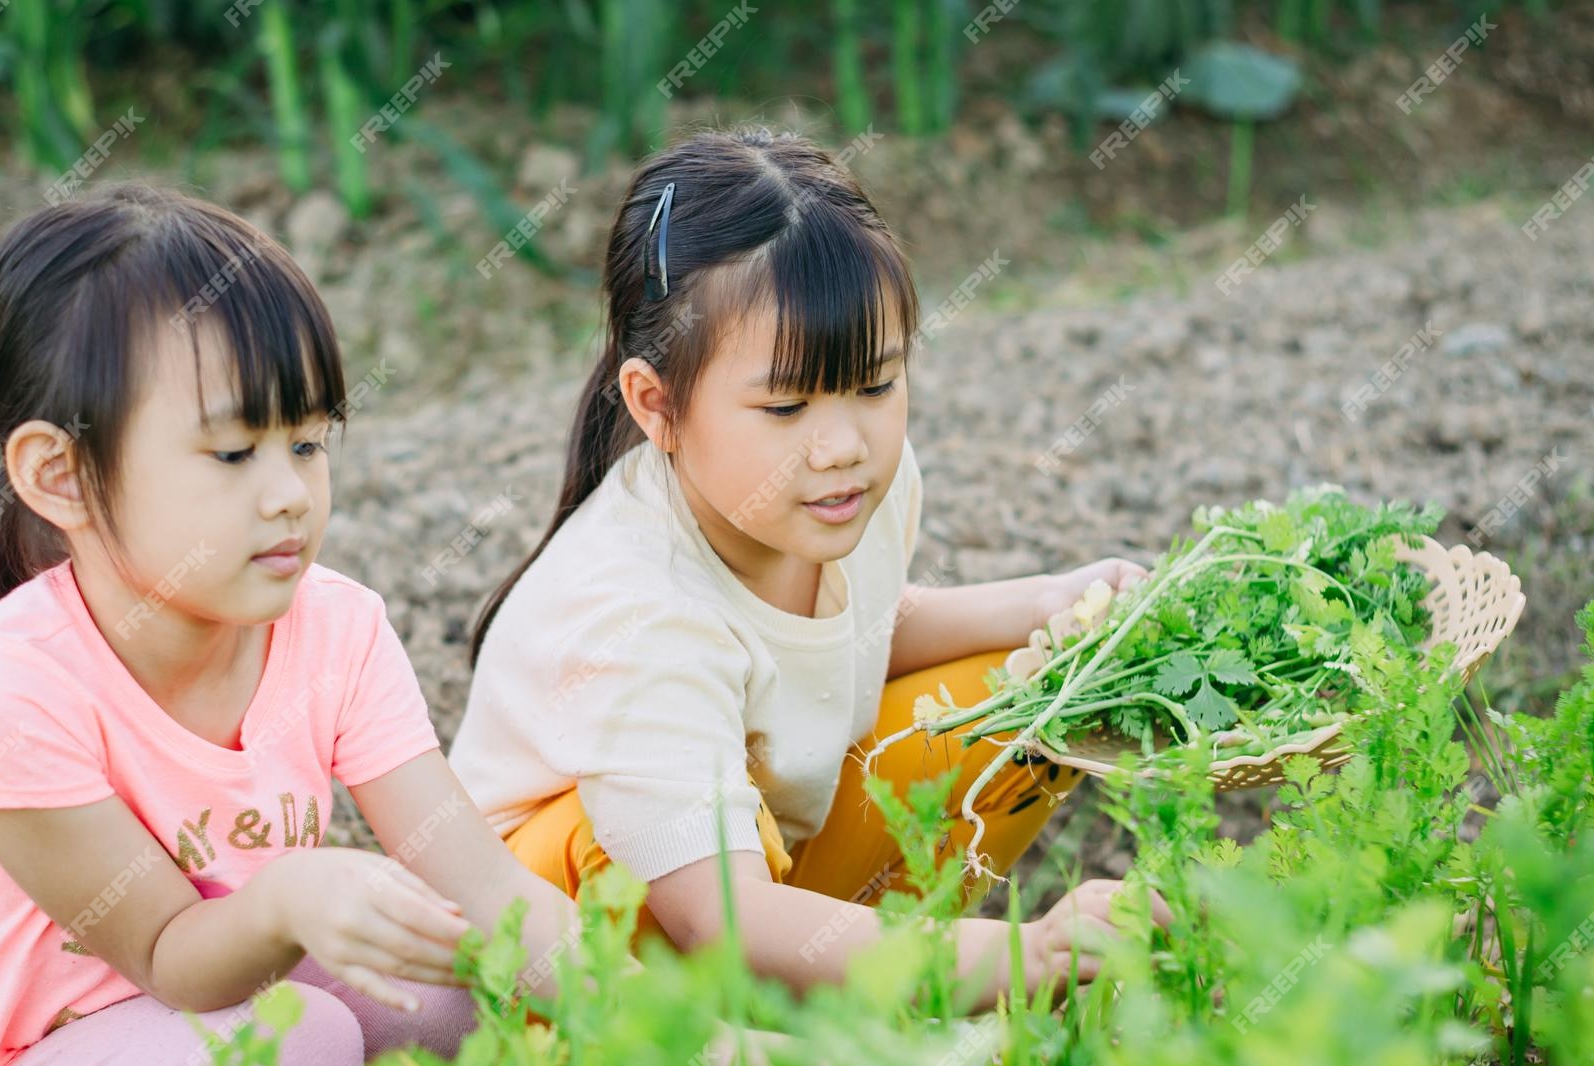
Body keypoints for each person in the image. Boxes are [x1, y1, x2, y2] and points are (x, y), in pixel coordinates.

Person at [0, 182, 574, 1066]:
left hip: (204, 1010)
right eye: (235, 454)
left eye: (308, 442)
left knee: (443, 981)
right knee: (301, 1045)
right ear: (59, 474)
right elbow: (166, 953)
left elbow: (483, 882)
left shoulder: (335, 629)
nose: (289, 492)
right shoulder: (7, 685)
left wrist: (689, 1035)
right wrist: (291, 894)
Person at [451, 126, 1169, 1002]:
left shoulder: (857, 490)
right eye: (786, 406)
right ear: (657, 404)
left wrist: (1060, 603)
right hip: (561, 963)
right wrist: (1021, 956)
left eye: (874, 387)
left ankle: (861, 998)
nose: (841, 446)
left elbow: (848, 637)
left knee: (1036, 687)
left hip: (759, 882)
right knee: (623, 844)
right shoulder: (633, 610)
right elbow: (716, 915)